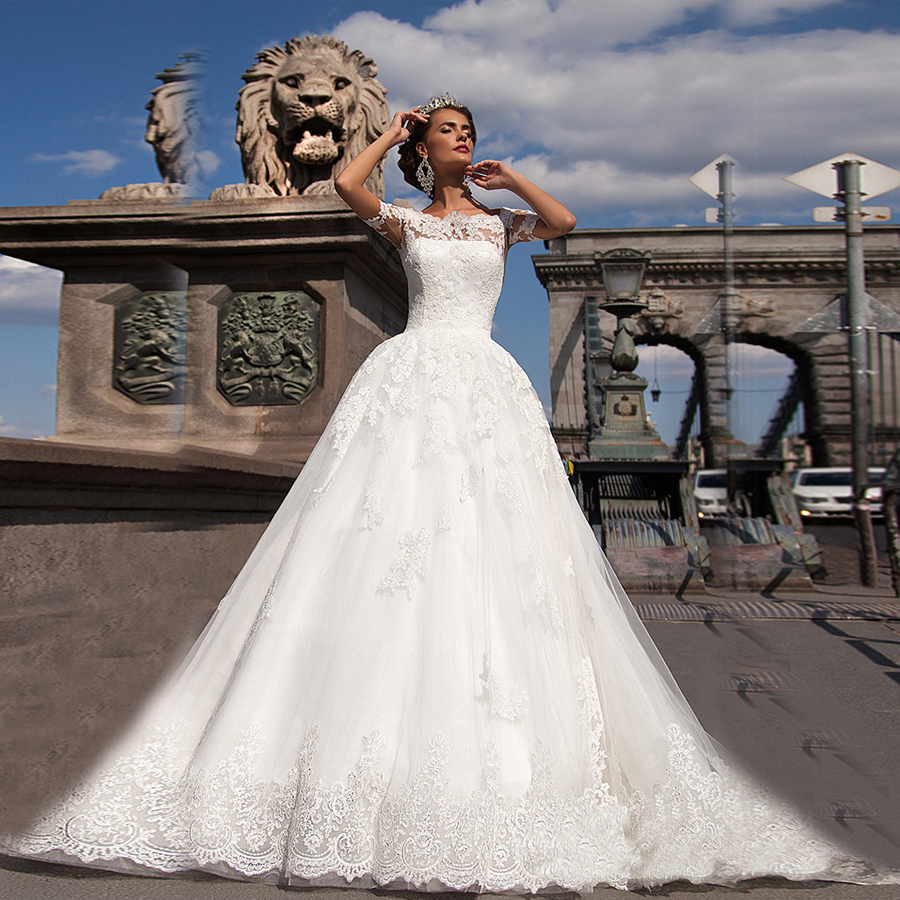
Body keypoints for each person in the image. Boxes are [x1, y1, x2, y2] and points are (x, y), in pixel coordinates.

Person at [1, 94, 896, 893]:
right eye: (449, 135)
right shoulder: (405, 220)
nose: (464, 143)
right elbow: (349, 189)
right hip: (415, 377)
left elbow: (567, 219)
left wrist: (517, 179)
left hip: (483, 385)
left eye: (469, 133)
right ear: (424, 152)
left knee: (501, 540)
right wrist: (390, 132)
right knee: (390, 535)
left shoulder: (500, 225)